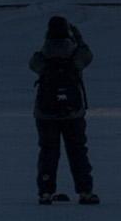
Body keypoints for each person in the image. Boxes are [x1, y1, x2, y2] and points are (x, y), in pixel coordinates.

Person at [30, 16, 97, 205]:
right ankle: (85, 191)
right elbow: (88, 55)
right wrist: (78, 38)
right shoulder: (75, 54)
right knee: (77, 151)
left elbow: (32, 64)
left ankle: (45, 191)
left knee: (48, 152)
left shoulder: (44, 55)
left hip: (45, 113)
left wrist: (46, 43)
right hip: (73, 112)